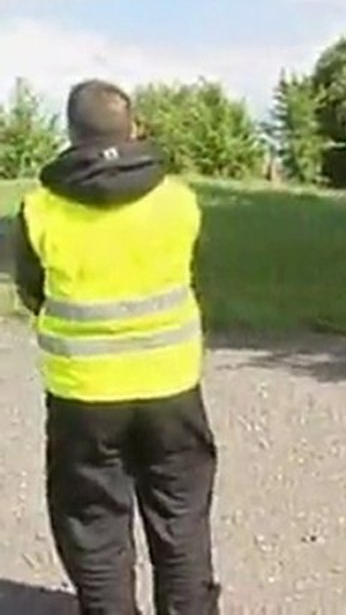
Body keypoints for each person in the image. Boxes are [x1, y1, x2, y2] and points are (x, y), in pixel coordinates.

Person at [10, 80, 220, 614]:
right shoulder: (178, 201)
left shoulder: (39, 210)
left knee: (94, 526)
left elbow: (34, 292)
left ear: (72, 135)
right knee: (182, 520)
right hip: (171, 387)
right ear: (132, 127)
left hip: (83, 396)